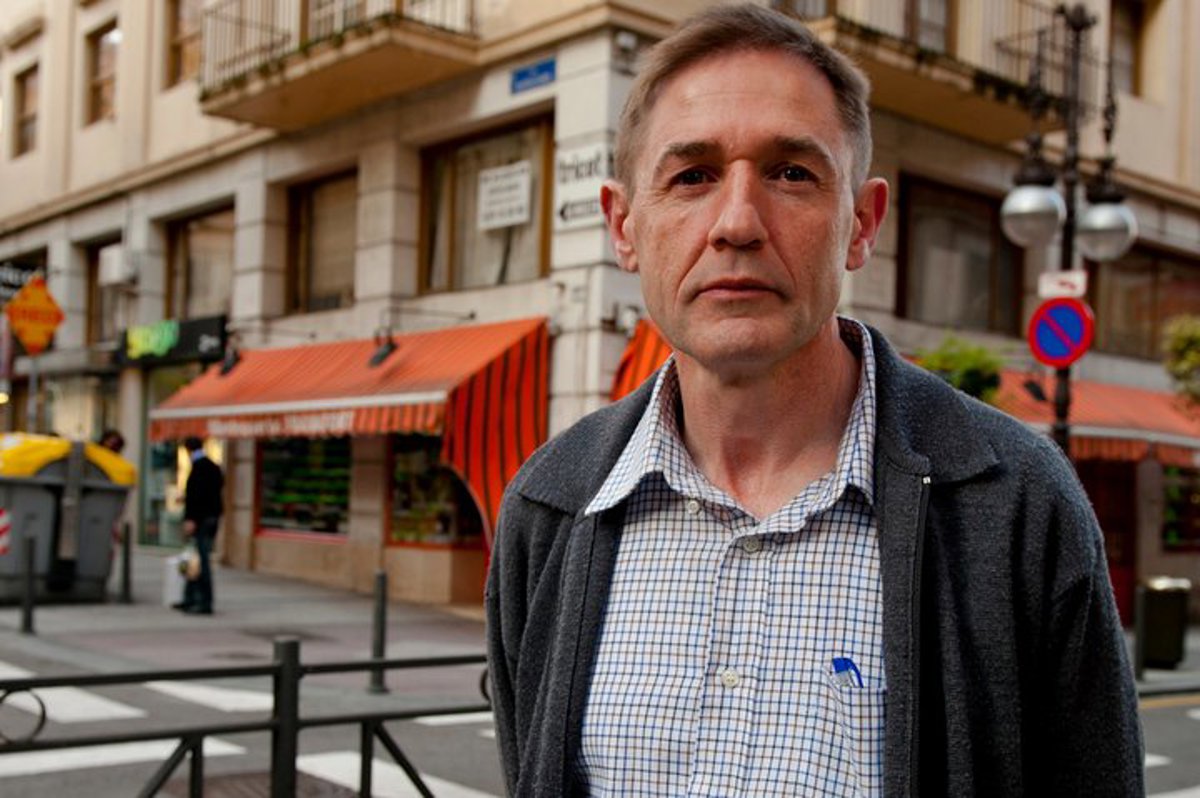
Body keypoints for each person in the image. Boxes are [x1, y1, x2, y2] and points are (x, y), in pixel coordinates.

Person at [485, 5, 1143, 796]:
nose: (736, 223)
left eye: (791, 173)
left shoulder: (1018, 506)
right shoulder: (549, 505)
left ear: (861, 223)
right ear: (624, 227)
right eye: (692, 177)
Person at [176, 436, 223, 616]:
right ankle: (190, 598)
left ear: (188, 450)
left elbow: (196, 497)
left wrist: (191, 519)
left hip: (202, 520)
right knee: (195, 560)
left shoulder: (199, 467)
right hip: (210, 518)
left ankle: (204, 601)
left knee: (201, 561)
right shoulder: (212, 466)